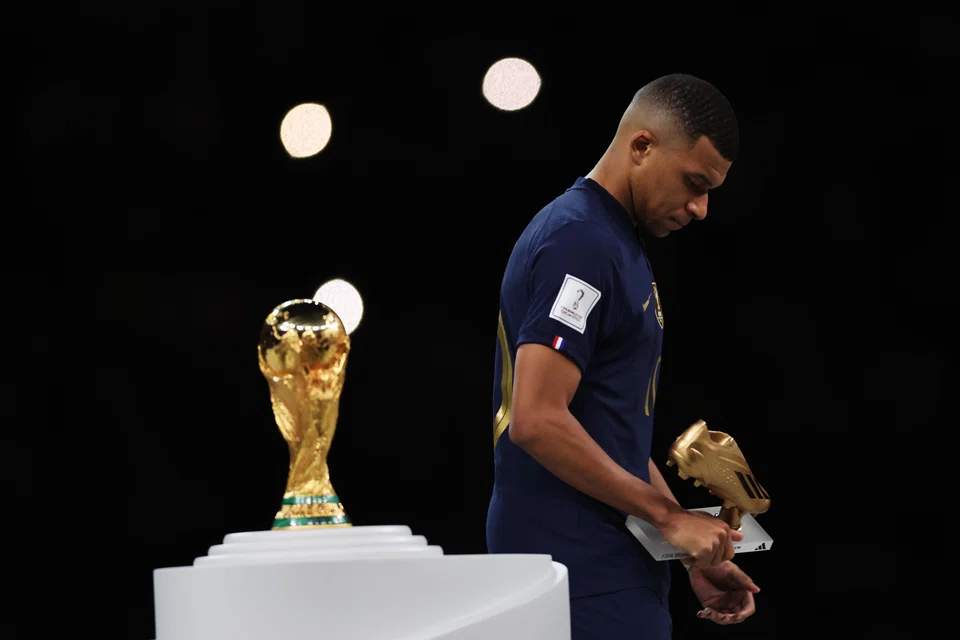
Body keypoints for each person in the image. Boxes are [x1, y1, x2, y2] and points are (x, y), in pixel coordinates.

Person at [485, 73, 761, 639]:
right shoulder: (581, 242)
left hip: (603, 568)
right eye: (693, 182)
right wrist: (665, 516)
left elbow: (612, 436)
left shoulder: (612, 243)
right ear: (642, 146)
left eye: (711, 190)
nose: (701, 208)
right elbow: (536, 420)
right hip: (575, 571)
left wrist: (681, 547)